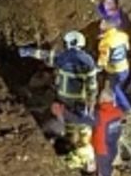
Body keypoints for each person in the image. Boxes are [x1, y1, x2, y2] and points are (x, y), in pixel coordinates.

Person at [19, 31, 99, 167]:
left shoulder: (64, 58)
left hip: (64, 97)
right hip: (80, 99)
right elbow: (92, 86)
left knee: (67, 123)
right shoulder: (88, 62)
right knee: (79, 123)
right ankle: (79, 146)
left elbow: (46, 56)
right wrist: (91, 103)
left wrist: (27, 52)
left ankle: (69, 146)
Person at [91, 85, 126, 176]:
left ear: (102, 99)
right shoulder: (118, 111)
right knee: (107, 171)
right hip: (112, 148)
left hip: (102, 150)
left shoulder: (99, 114)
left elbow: (82, 119)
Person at [97, 11, 131, 111]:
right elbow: (127, 48)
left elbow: (103, 60)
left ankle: (128, 110)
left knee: (115, 91)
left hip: (114, 72)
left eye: (102, 22)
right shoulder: (123, 35)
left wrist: (98, 67)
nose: (101, 23)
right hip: (125, 68)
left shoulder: (104, 43)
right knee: (116, 89)